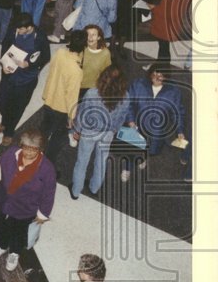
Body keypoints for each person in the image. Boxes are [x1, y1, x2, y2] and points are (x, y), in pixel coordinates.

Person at [0, 129, 57, 272]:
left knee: (18, 232)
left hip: (25, 208)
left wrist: (43, 213)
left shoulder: (47, 169)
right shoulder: (11, 154)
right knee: (1, 225)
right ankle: (1, 245)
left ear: (40, 149)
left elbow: (49, 193)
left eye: (34, 149)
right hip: (3, 201)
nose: (29, 152)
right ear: (21, 145)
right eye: (26, 147)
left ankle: (14, 253)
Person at [70, 65, 132, 198]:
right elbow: (122, 117)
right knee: (101, 160)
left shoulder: (92, 93)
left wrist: (76, 130)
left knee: (82, 161)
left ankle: (76, 190)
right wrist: (114, 130)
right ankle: (94, 188)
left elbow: (82, 114)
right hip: (107, 133)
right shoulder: (125, 97)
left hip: (88, 132)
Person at [0, 13, 51, 146]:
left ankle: (8, 132)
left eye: (21, 29)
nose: (18, 31)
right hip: (9, 74)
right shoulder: (14, 31)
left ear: (29, 27)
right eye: (17, 29)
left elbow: (46, 57)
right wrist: (4, 64)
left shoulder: (40, 37)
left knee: (17, 107)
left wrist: (29, 64)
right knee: (1, 100)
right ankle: (5, 120)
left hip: (27, 80)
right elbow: (5, 48)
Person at [125, 63, 187, 174]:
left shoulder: (173, 92)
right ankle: (127, 169)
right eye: (154, 74)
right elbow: (129, 104)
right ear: (150, 74)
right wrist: (130, 121)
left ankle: (143, 158)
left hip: (156, 130)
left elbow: (177, 113)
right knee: (133, 149)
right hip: (137, 126)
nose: (156, 78)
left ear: (166, 77)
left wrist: (180, 130)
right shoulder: (138, 85)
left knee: (151, 149)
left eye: (160, 75)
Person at [39, 29, 87, 162]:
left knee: (44, 130)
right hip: (61, 108)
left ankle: (37, 152)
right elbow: (72, 95)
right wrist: (72, 117)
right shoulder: (76, 71)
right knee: (57, 138)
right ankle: (48, 162)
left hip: (49, 98)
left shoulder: (60, 53)